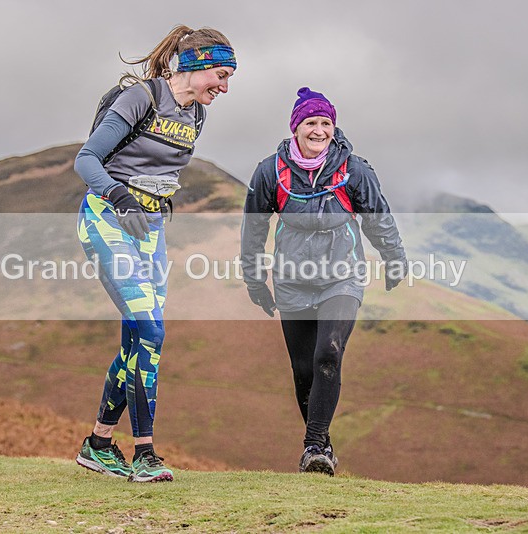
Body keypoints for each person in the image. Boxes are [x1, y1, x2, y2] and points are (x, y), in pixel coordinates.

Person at [74, 25, 236, 482]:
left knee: (138, 337)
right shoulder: (141, 98)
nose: (224, 88)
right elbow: (86, 159)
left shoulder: (196, 115)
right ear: (197, 65)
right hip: (109, 217)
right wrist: (121, 197)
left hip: (150, 229)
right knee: (151, 330)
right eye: (221, 76)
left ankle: (98, 445)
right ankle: (145, 453)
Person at [240, 87, 407, 476]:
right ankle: (323, 443)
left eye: (326, 123)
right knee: (303, 371)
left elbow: (378, 217)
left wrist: (394, 259)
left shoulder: (354, 171)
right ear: (296, 127)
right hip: (292, 280)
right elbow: (253, 229)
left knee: (328, 353)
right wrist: (254, 281)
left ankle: (313, 447)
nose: (319, 130)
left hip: (342, 276)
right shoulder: (270, 171)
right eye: (311, 123)